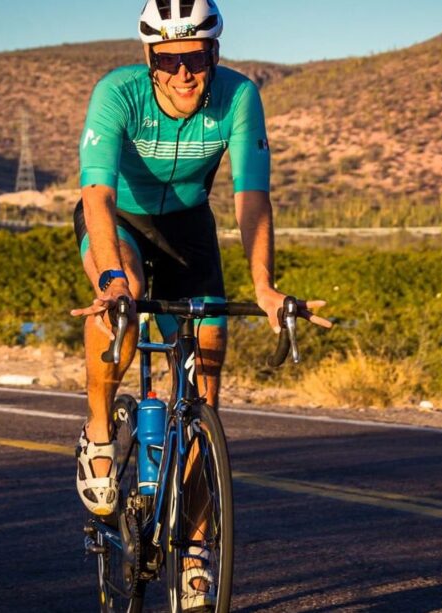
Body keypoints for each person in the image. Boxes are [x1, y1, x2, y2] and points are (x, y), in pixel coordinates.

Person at [69, 1, 331, 608]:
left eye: (199, 57)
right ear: (150, 59)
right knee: (124, 302)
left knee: (205, 394)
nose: (186, 73)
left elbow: (252, 198)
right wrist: (111, 277)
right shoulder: (118, 93)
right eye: (171, 59)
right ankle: (100, 431)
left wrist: (264, 285)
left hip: (189, 227)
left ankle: (193, 554)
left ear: (215, 55)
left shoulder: (239, 96)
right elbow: (98, 195)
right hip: (120, 222)